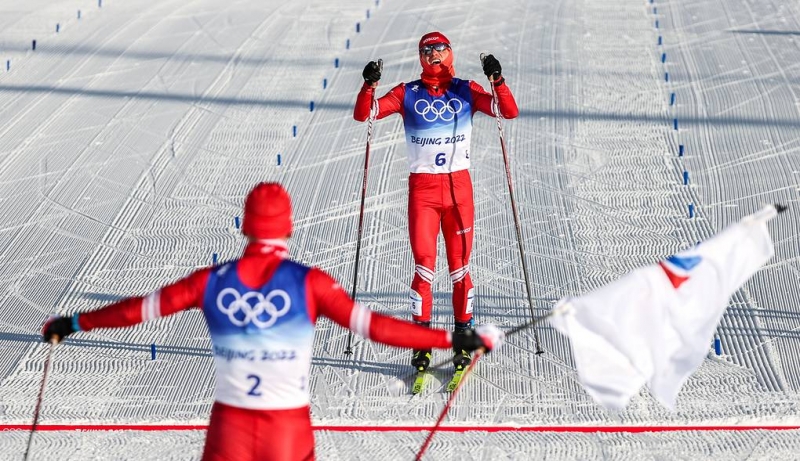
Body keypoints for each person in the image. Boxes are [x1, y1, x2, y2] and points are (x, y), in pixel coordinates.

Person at [42, 182, 505, 461]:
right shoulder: (309, 283)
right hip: (288, 433)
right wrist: (451, 336)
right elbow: (377, 329)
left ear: (244, 227)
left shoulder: (211, 282)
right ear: (289, 227)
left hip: (230, 430)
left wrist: (75, 321)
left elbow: (136, 311)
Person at [353, 32, 518, 375]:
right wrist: (368, 85)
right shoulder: (407, 93)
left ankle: (462, 338)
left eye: (440, 48)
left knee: (460, 269)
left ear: (450, 52)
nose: (435, 55)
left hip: (459, 190)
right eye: (427, 50)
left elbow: (508, 111)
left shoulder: (465, 89)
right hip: (424, 193)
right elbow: (364, 114)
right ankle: (422, 343)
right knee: (424, 269)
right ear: (420, 56)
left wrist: (497, 80)